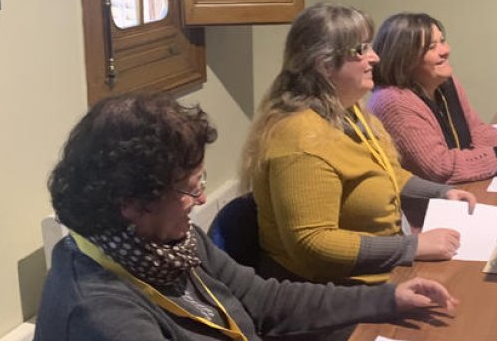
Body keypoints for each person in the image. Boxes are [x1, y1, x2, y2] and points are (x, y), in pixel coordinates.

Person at [36, 93, 457, 341]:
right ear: (130, 202)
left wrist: (387, 299)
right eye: (189, 187)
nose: (201, 197)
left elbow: (265, 300)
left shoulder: (170, 245)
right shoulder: (99, 316)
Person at [240, 3, 476, 284]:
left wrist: (440, 193)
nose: (374, 57)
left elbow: (384, 173)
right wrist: (414, 246)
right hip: (328, 294)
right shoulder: (300, 140)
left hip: (378, 271)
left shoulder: (347, 112)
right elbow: (312, 244)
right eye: (361, 50)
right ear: (325, 65)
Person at [367, 13, 497, 184]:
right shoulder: (393, 101)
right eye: (431, 47)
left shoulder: (444, 81)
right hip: (426, 205)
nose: (445, 51)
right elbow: (440, 167)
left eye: (442, 41)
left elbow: (475, 131)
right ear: (404, 58)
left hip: (456, 191)